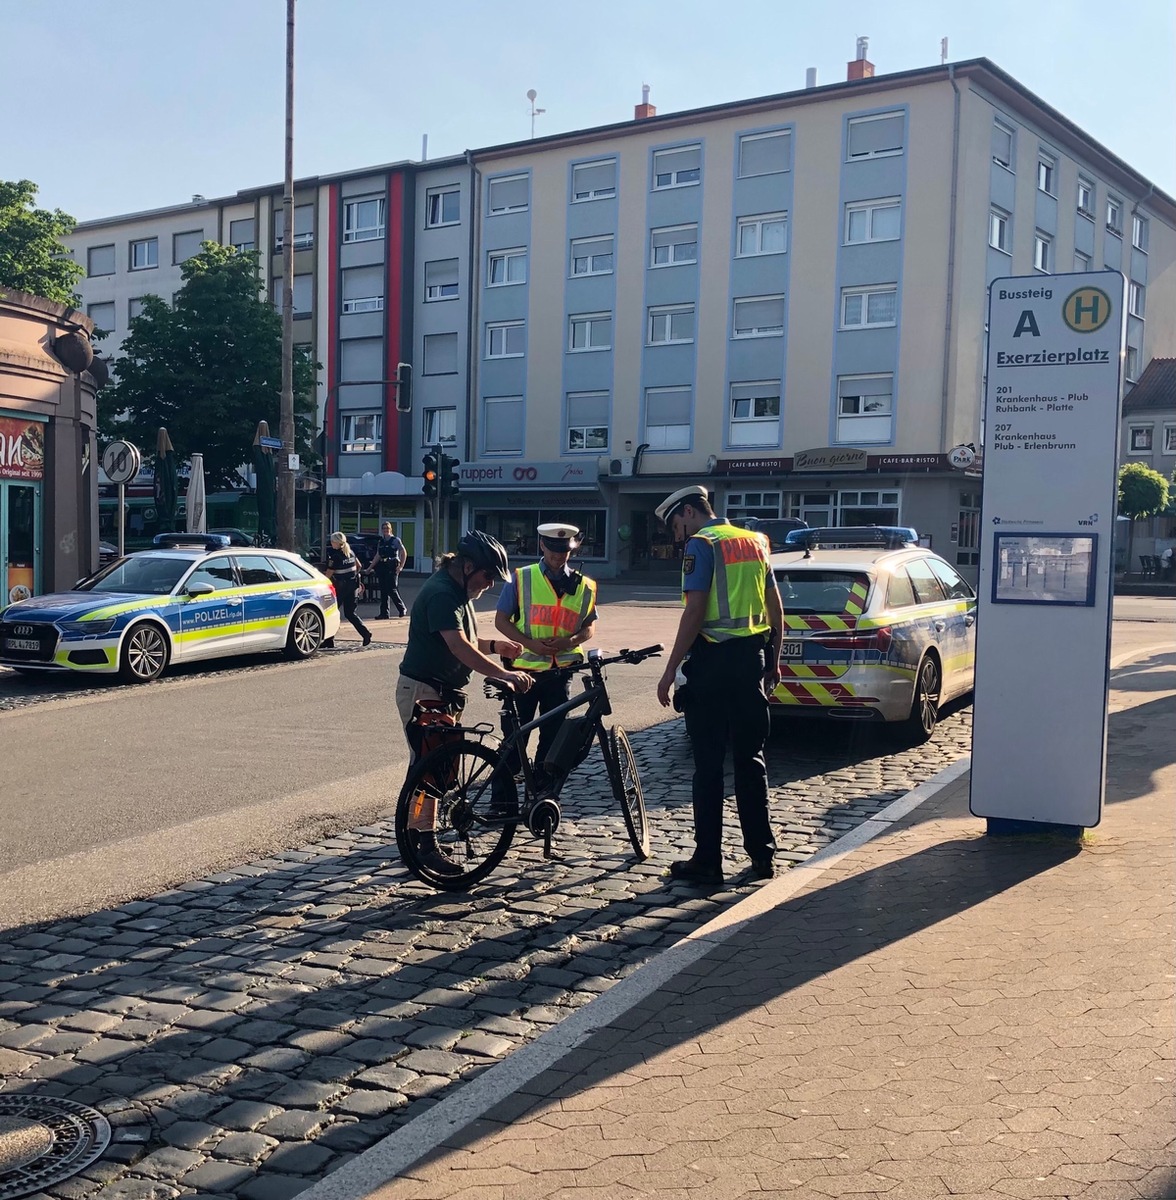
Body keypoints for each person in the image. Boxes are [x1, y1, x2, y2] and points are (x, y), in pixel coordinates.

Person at [654, 485, 784, 886]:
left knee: (708, 766)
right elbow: (775, 605)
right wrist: (774, 662)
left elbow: (694, 611)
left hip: (711, 664)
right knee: (751, 760)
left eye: (677, 524)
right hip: (750, 662)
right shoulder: (756, 541)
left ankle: (708, 859)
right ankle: (762, 855)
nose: (677, 534)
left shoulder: (702, 544)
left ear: (691, 513)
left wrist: (670, 669)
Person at [398, 531, 533, 875]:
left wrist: (494, 647)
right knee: (432, 768)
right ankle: (425, 846)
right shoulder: (444, 593)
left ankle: (415, 837)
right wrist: (502, 675)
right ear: (468, 566)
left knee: (429, 766)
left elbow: (466, 641)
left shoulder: (457, 591)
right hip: (425, 690)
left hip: (440, 691)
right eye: (488, 576)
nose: (489, 584)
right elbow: (457, 646)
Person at [494, 522, 598, 789]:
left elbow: (589, 626)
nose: (558, 556)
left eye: (563, 550)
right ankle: (502, 802)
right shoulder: (522, 577)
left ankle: (540, 792)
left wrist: (570, 640)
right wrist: (531, 644)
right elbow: (501, 621)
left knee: (552, 739)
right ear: (542, 545)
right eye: (553, 549)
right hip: (524, 672)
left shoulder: (585, 586)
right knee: (514, 740)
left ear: (571, 550)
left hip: (560, 673)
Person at [324, 532, 372, 647]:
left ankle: (329, 640)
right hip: (353, 586)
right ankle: (365, 634)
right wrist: (352, 575)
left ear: (337, 542)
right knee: (350, 613)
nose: (331, 544)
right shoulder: (350, 552)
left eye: (332, 542)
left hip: (340, 588)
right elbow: (359, 566)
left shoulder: (335, 556)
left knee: (331, 613)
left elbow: (328, 575)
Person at [372, 521, 408, 619]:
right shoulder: (381, 541)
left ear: (390, 529)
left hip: (392, 567)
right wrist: (370, 568)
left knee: (392, 589)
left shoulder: (395, 540)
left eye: (387, 528)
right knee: (383, 590)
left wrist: (401, 566)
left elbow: (403, 552)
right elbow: (378, 555)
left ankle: (402, 609)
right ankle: (384, 613)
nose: (385, 530)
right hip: (382, 566)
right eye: (384, 529)